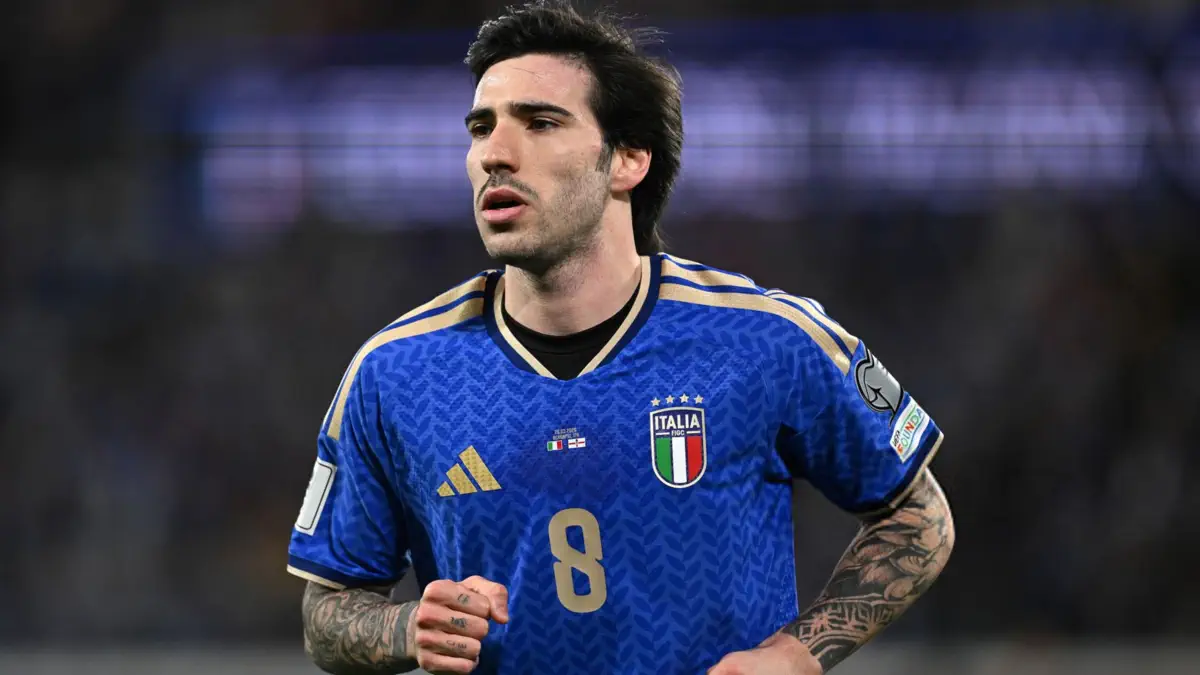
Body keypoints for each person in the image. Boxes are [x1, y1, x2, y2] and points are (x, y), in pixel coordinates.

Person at [287, 2, 955, 673]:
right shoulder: (394, 373)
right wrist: (407, 627)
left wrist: (797, 654)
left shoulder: (766, 340)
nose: (494, 154)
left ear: (628, 159)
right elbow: (328, 611)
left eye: (540, 122)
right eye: (482, 127)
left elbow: (917, 518)